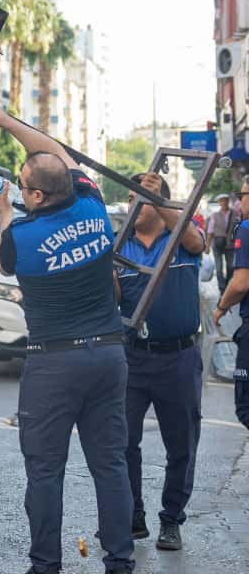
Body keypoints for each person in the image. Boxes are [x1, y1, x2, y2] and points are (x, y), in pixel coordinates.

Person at [0, 94, 135, 574]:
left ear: (37, 197)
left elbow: (3, 259)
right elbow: (58, 155)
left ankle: (46, 565)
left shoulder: (20, 236)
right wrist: (6, 122)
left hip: (54, 363)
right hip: (107, 355)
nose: (19, 190)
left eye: (23, 187)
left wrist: (3, 209)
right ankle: (120, 562)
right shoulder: (93, 204)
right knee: (110, 465)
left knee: (45, 470)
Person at [115, 173, 205, 551]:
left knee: (181, 444)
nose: (133, 204)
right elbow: (113, 296)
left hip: (179, 358)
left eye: (142, 198)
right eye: (131, 198)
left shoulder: (181, 240)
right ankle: (133, 516)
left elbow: (195, 241)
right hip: (133, 358)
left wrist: (162, 201)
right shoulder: (121, 246)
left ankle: (172, 521)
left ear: (160, 203)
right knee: (123, 442)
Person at [213, 176, 249, 431]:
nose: (239, 202)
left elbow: (240, 283)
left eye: (243, 195)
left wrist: (221, 308)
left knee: (245, 406)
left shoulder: (246, 228)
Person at [207, 193, 237, 293]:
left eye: (225, 200)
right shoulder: (214, 215)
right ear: (219, 203)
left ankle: (228, 285)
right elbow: (210, 231)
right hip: (217, 244)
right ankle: (222, 289)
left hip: (230, 244)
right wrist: (207, 246)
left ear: (228, 201)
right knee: (219, 268)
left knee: (230, 267)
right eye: (221, 201)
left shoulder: (235, 214)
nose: (223, 202)